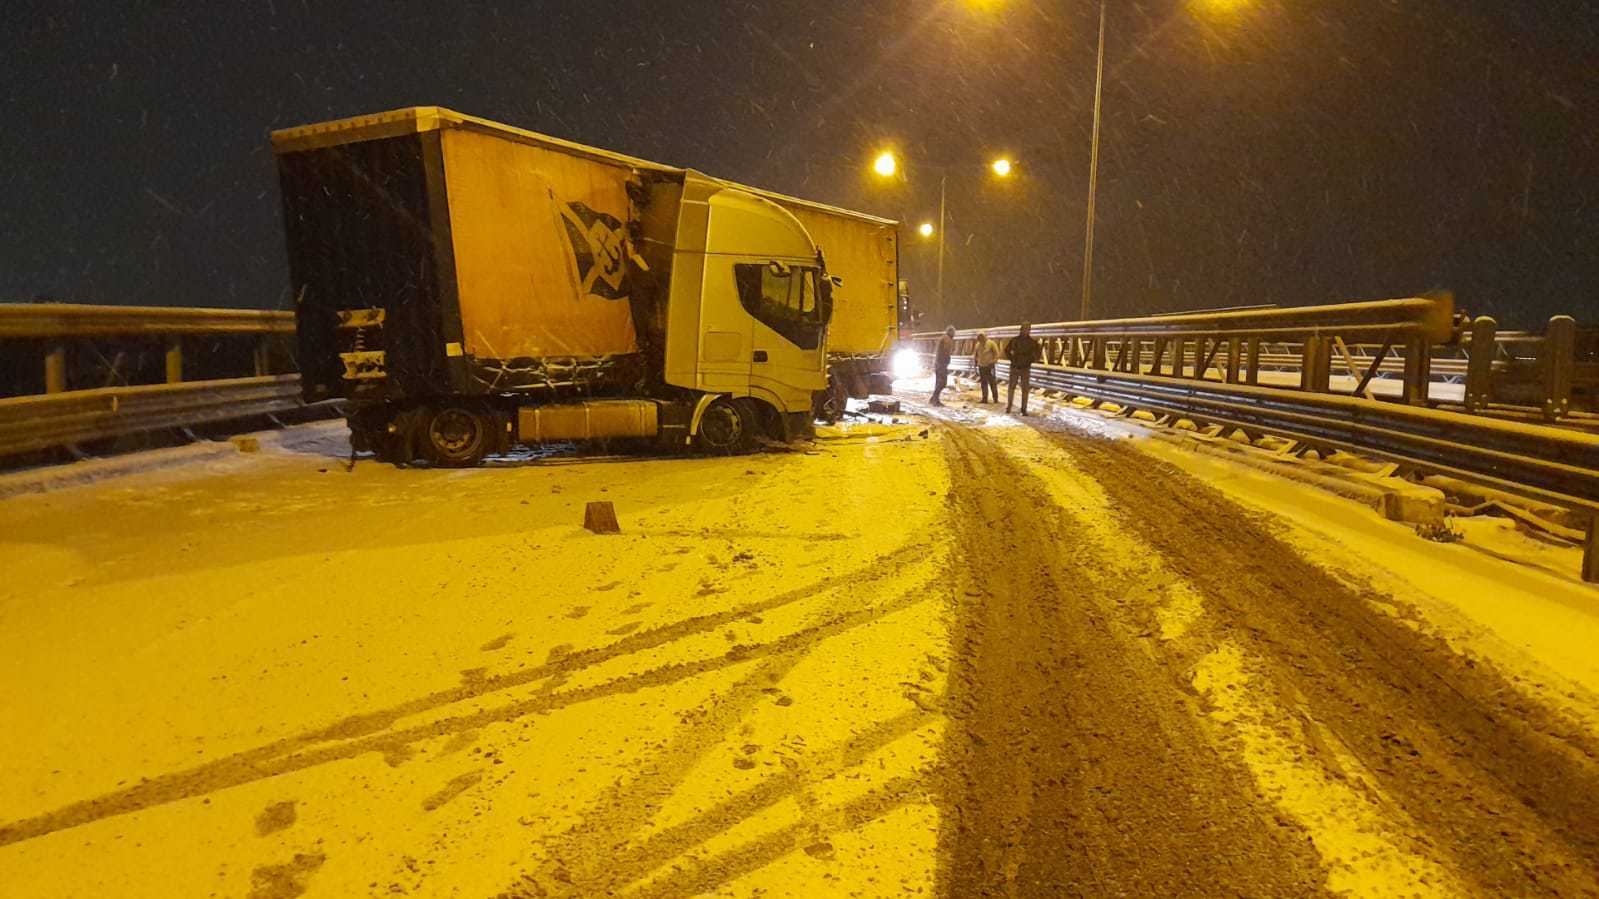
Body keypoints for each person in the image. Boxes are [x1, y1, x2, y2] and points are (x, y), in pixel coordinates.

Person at [1005, 322, 1041, 416]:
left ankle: (1023, 409)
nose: (1026, 331)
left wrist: (1031, 360)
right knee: (1012, 387)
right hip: (1015, 367)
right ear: (1021, 330)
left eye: (1028, 329)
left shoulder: (1032, 342)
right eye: (1025, 329)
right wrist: (1012, 359)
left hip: (1025, 367)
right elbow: (1007, 350)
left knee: (1024, 389)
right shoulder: (1015, 340)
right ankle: (1009, 406)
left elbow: (1038, 353)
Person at [930, 326, 956, 407]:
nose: (954, 334)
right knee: (942, 382)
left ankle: (934, 399)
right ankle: (935, 399)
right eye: (953, 332)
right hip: (942, 364)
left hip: (939, 363)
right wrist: (947, 360)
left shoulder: (944, 338)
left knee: (938, 381)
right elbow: (946, 351)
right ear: (951, 332)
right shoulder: (947, 339)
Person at [973, 330, 1000, 404]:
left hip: (990, 366)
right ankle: (984, 398)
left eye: (981, 338)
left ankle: (995, 398)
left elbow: (997, 354)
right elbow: (975, 355)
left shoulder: (991, 343)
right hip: (981, 366)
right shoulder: (978, 345)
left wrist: (993, 361)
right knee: (983, 383)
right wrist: (975, 363)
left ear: (984, 337)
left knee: (992, 382)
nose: (980, 340)